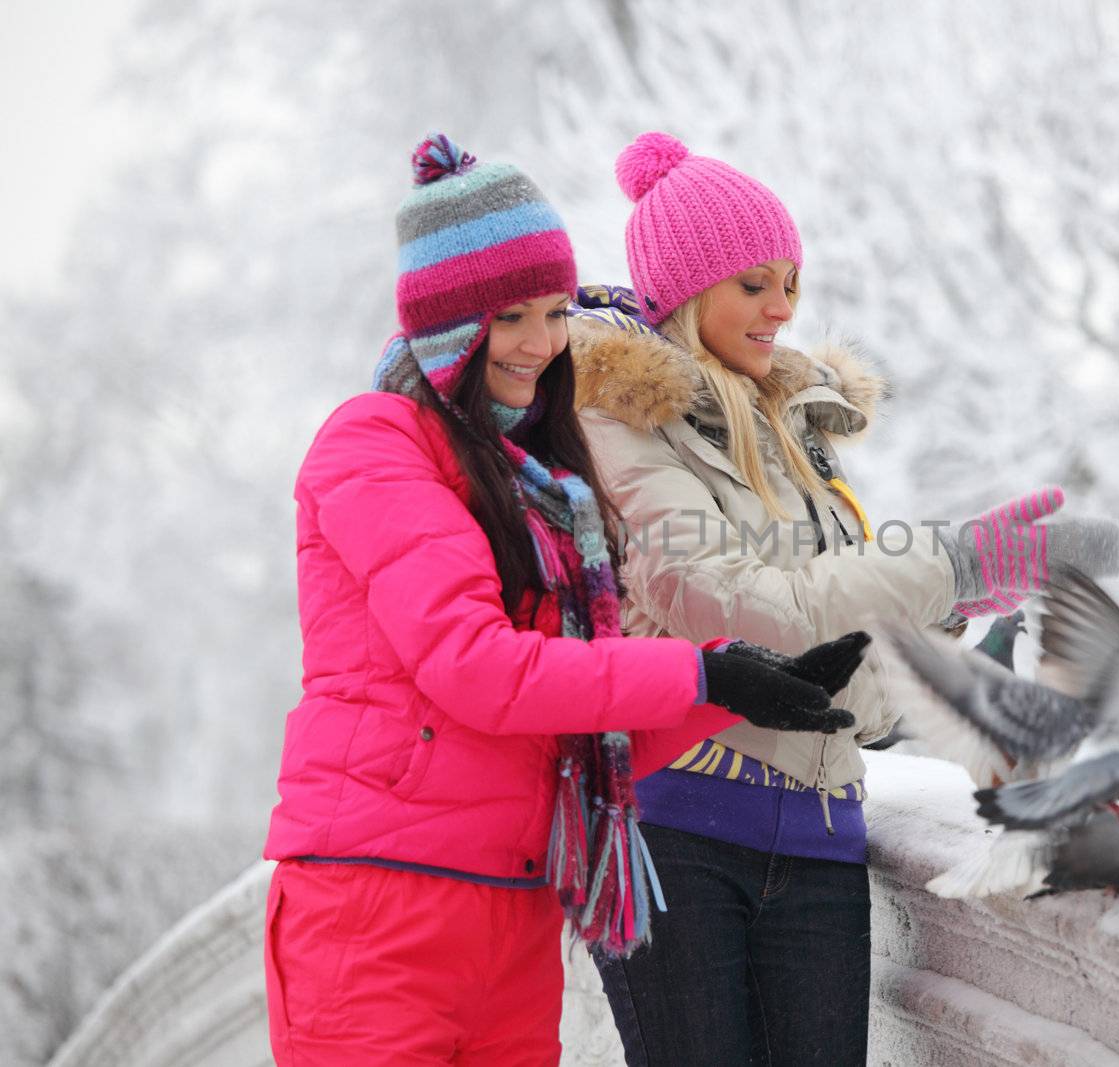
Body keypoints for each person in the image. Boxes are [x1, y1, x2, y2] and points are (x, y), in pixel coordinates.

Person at [260, 133, 868, 1067]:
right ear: (444, 324)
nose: (543, 344)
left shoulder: (540, 487)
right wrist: (700, 667)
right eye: (510, 317)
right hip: (376, 904)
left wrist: (734, 693)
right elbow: (478, 667)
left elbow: (581, 723)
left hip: (512, 915)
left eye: (554, 313)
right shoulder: (373, 443)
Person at [573, 131, 1119, 1065]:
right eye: (753, 284)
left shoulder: (797, 435)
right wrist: (945, 563)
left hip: (823, 837)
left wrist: (950, 615)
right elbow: (737, 607)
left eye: (790, 281)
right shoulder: (621, 423)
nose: (782, 309)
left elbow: (834, 661)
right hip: (678, 833)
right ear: (685, 292)